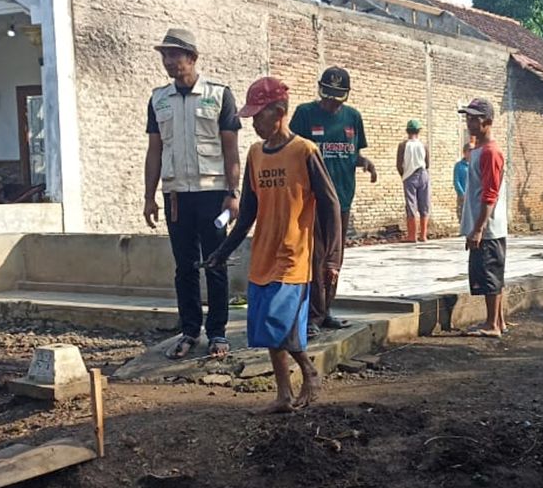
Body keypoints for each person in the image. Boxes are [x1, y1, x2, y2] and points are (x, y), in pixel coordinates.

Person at [203, 77, 342, 414]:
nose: (253, 124)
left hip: (293, 254)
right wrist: (223, 251)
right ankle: (284, 395)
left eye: (258, 116)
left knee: (279, 323)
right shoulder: (255, 154)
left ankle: (308, 371)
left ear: (279, 112)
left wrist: (332, 258)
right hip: (263, 254)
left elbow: (330, 205)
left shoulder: (305, 151)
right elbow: (249, 211)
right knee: (267, 327)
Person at [143, 28, 242, 360]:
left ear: (192, 58)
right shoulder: (159, 99)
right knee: (183, 266)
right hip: (176, 196)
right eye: (164, 55)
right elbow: (154, 151)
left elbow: (231, 150)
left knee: (215, 263)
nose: (168, 61)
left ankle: (218, 333)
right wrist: (148, 195)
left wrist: (233, 193)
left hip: (213, 194)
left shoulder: (219, 95)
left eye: (175, 55)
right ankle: (189, 330)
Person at [289, 66, 377, 337]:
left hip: (343, 199)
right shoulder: (305, 114)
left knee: (333, 260)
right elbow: (292, 152)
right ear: (320, 90)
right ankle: (311, 316)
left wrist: (366, 163)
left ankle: (326, 311)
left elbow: (353, 154)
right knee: (314, 258)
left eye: (337, 97)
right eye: (328, 96)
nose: (331, 102)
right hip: (314, 200)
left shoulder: (353, 117)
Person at [458, 98, 508, 338]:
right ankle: (497, 320)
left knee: (489, 275)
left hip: (488, 227)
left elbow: (490, 193)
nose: (470, 122)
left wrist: (479, 228)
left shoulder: (490, 152)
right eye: (468, 117)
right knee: (491, 274)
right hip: (483, 224)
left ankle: (491, 325)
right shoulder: (478, 150)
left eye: (475, 118)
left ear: (487, 122)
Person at [396, 119, 431, 242]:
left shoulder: (403, 145)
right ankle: (423, 235)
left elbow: (399, 164)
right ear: (419, 131)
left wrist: (404, 175)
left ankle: (412, 236)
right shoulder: (423, 145)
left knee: (411, 205)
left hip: (409, 176)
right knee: (424, 204)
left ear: (407, 131)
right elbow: (427, 163)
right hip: (423, 174)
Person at [453, 142, 472, 222]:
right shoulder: (459, 165)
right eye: (470, 150)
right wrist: (462, 193)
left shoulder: (474, 164)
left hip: (473, 195)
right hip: (463, 195)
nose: (472, 153)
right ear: (465, 152)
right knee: (462, 215)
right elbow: (456, 180)